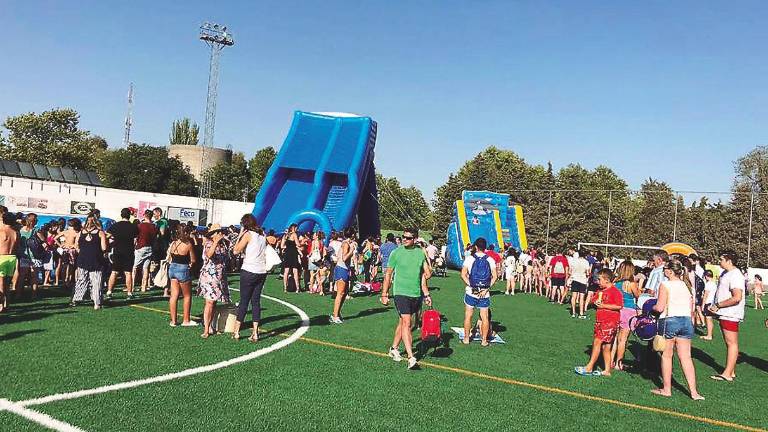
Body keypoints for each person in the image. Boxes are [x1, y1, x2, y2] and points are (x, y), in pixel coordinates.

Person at [650, 259, 704, 400]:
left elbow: (660, 307)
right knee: (686, 357)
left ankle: (666, 389)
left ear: (669, 271)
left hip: (669, 321)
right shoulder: (687, 285)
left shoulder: (665, 284)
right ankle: (694, 392)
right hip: (686, 322)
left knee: (667, 356)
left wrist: (651, 308)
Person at [380, 227, 432, 370]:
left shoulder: (420, 253)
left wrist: (426, 294)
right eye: (403, 237)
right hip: (400, 292)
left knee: (403, 322)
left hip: (415, 294)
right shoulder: (396, 253)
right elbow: (388, 274)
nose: (404, 239)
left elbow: (426, 275)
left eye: (408, 238)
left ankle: (394, 348)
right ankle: (411, 357)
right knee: (407, 323)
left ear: (415, 239)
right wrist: (384, 294)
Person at [574, 268, 623, 376]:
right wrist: (595, 301)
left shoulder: (615, 292)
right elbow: (593, 300)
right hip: (600, 321)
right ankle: (607, 370)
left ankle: (589, 367)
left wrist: (604, 305)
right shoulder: (600, 291)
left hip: (609, 322)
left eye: (599, 279)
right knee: (606, 346)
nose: (597, 282)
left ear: (607, 280)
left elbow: (619, 306)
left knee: (597, 342)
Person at [707, 251, 746, 382]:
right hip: (725, 313)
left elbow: (737, 297)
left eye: (721, 259)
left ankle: (727, 373)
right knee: (729, 343)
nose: (719, 262)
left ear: (729, 261)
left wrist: (718, 305)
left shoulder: (735, 275)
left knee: (731, 343)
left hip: (730, 313)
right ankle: (731, 370)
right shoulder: (726, 273)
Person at [231, 214, 268, 342]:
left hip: (249, 270)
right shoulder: (263, 235)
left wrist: (241, 234)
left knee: (244, 301)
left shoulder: (248, 235)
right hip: (261, 271)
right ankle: (255, 332)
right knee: (256, 302)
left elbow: (235, 250)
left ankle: (236, 331)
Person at [460, 237, 497, 346]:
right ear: (485, 247)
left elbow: (463, 274)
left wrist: (471, 285)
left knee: (468, 316)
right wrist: (486, 288)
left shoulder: (469, 259)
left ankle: (466, 339)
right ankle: (484, 341)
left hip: (471, 291)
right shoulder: (490, 260)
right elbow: (495, 276)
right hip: (484, 293)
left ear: (475, 246)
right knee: (484, 317)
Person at [198, 224, 231, 339]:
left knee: (214, 302)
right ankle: (206, 329)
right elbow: (209, 255)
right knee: (209, 302)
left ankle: (211, 326)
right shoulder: (208, 243)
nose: (220, 234)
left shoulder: (224, 245)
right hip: (209, 277)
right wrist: (216, 242)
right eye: (217, 232)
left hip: (220, 277)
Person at [70, 214, 107, 309]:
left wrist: (82, 251)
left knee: (81, 280)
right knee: (96, 281)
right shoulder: (100, 233)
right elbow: (104, 248)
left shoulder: (81, 232)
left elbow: (76, 246)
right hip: (96, 259)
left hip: (82, 259)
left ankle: (75, 299)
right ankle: (97, 303)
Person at [612, 260, 640, 371]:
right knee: (623, 339)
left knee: (615, 337)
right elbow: (638, 295)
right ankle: (619, 363)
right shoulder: (631, 284)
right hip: (628, 310)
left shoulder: (615, 282)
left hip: (617, 309)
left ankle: (610, 361)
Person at [167, 225, 197, 327]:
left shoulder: (173, 243)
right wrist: (191, 265)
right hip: (183, 269)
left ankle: (173, 321)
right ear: (186, 233)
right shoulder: (188, 244)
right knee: (187, 296)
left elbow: (171, 255)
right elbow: (193, 260)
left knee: (174, 295)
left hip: (172, 268)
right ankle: (186, 320)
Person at [106, 208, 138, 299]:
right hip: (129, 251)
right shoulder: (133, 227)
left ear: (121, 215)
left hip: (117, 251)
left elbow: (107, 236)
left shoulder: (115, 226)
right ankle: (129, 293)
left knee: (114, 272)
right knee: (128, 273)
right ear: (129, 215)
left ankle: (109, 291)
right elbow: (136, 239)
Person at [330, 227, 355, 324]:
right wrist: (351, 251)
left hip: (345, 269)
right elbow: (344, 258)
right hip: (341, 268)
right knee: (340, 293)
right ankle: (335, 315)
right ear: (352, 234)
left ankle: (337, 313)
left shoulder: (347, 243)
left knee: (344, 293)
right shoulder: (345, 244)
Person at [133, 210, 157, 295]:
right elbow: (154, 239)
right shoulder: (154, 226)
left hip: (140, 247)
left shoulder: (140, 226)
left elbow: (136, 238)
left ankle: (131, 286)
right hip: (149, 248)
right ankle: (144, 287)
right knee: (146, 268)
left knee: (135, 267)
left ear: (144, 215)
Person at [0, 207, 18, 312]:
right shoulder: (15, 232)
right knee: (7, 283)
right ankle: (7, 303)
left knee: (1, 283)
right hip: (12, 257)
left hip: (2, 257)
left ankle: (1, 305)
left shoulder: (2, 231)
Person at [569, 250, 590, 319]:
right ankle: (581, 313)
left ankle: (573, 313)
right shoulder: (586, 262)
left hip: (575, 279)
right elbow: (588, 273)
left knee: (573, 296)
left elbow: (570, 271)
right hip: (582, 280)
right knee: (581, 297)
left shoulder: (574, 261)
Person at [280, 224, 301, 293]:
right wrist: (302, 242)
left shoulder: (285, 235)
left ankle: (285, 288)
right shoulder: (294, 234)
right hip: (293, 253)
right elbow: (298, 244)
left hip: (287, 254)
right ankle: (297, 288)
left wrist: (287, 247)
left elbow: (282, 246)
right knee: (295, 271)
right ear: (293, 228)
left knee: (286, 271)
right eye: (296, 228)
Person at [699, 270, 717, 341]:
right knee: (710, 319)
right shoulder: (714, 283)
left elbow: (705, 295)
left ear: (706, 276)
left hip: (708, 303)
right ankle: (710, 334)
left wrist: (703, 305)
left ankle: (709, 335)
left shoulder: (708, 284)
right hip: (712, 302)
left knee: (708, 319)